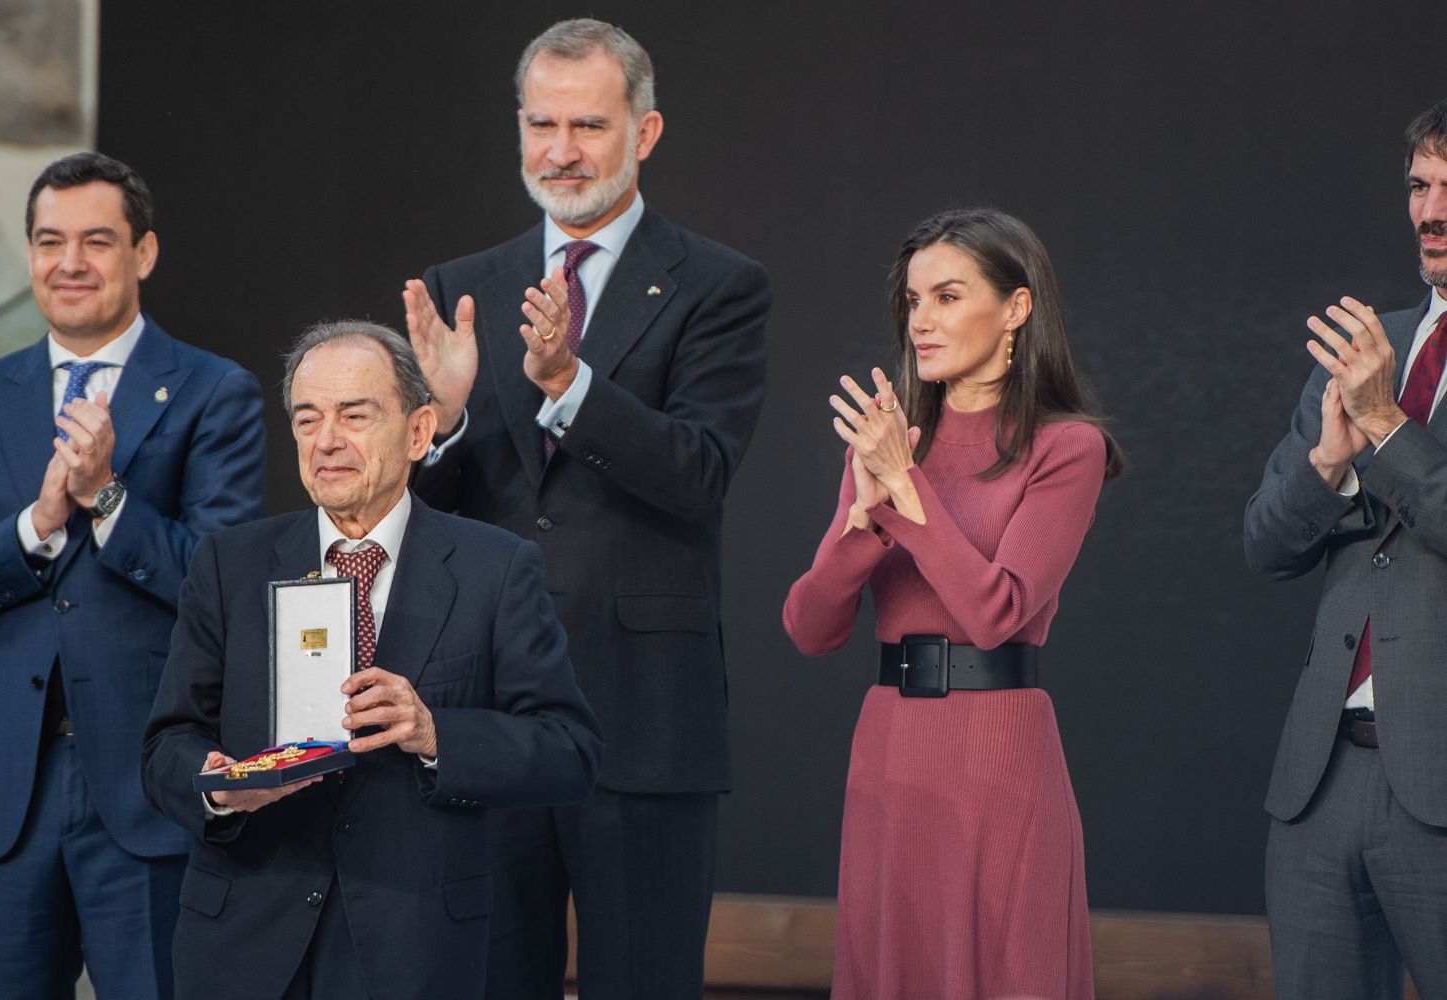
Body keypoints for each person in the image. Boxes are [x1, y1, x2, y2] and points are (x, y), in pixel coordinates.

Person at [401, 18, 769, 1000]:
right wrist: (430, 431)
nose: (561, 151)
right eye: (542, 123)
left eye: (589, 126)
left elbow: (700, 472)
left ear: (644, 134)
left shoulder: (720, 287)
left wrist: (570, 386)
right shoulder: (462, 289)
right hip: (485, 714)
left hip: (644, 715)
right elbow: (422, 523)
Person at [141, 320, 602, 1000]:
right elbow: (165, 747)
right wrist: (218, 788)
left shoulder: (494, 570)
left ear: (419, 432)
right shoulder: (229, 565)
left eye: (355, 416)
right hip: (242, 944)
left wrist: (436, 733)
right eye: (307, 419)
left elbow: (570, 749)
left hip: (414, 950)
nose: (327, 440)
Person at [0, 151, 266, 999]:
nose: (71, 263)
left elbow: (219, 578)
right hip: (2, 789)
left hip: (145, 783)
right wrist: (39, 524)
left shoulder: (213, 391)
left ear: (144, 254)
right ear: (29, 256)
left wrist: (107, 497)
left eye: (96, 240)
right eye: (50, 242)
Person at [783, 208, 1121, 999]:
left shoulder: (1066, 446)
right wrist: (865, 519)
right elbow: (809, 627)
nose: (921, 321)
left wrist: (905, 488)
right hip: (890, 750)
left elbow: (997, 611)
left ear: (1016, 307)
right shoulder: (886, 444)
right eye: (912, 300)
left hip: (1001, 753)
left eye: (947, 296)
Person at [1245, 98, 1447, 999]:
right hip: (1319, 785)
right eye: (1418, 186)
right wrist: (1327, 461)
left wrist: (1380, 421)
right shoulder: (1375, 346)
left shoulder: (1372, 382)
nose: (1429, 212)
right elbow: (1265, 545)